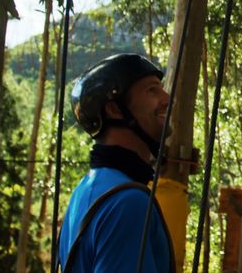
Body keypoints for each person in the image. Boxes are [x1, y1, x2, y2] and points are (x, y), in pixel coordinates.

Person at [57, 54, 175, 272]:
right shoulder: (127, 201)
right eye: (152, 90)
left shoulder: (85, 190)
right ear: (115, 110)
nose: (167, 98)